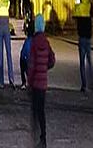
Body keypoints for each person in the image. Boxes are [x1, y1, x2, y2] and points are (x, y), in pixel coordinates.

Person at [27, 14, 55, 147]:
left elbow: (31, 64)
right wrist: (45, 68)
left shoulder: (34, 42)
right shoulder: (46, 42)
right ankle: (43, 137)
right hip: (43, 82)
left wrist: (29, 80)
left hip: (35, 83)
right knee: (41, 110)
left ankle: (34, 135)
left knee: (34, 110)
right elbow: (52, 60)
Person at [75, 0, 93, 93]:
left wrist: (77, 5)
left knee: (82, 62)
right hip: (88, 36)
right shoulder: (90, 5)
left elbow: (75, 15)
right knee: (90, 61)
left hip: (81, 36)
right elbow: (92, 15)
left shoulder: (79, 4)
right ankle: (92, 84)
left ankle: (84, 85)